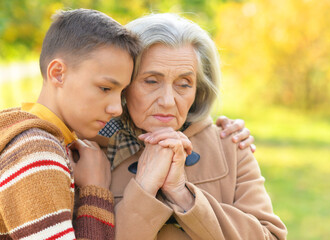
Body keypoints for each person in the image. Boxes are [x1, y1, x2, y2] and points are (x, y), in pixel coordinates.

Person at [108, 13, 287, 239]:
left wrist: (182, 194)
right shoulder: (91, 151)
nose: (168, 100)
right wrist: (144, 188)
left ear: (199, 90)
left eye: (183, 84)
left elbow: (270, 236)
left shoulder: (231, 145)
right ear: (124, 83)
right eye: (151, 81)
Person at [0, 9, 140, 239]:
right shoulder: (37, 151)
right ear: (58, 74)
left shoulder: (42, 136)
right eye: (105, 88)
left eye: (121, 92)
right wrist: (95, 192)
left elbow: (129, 134)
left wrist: (212, 130)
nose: (117, 108)